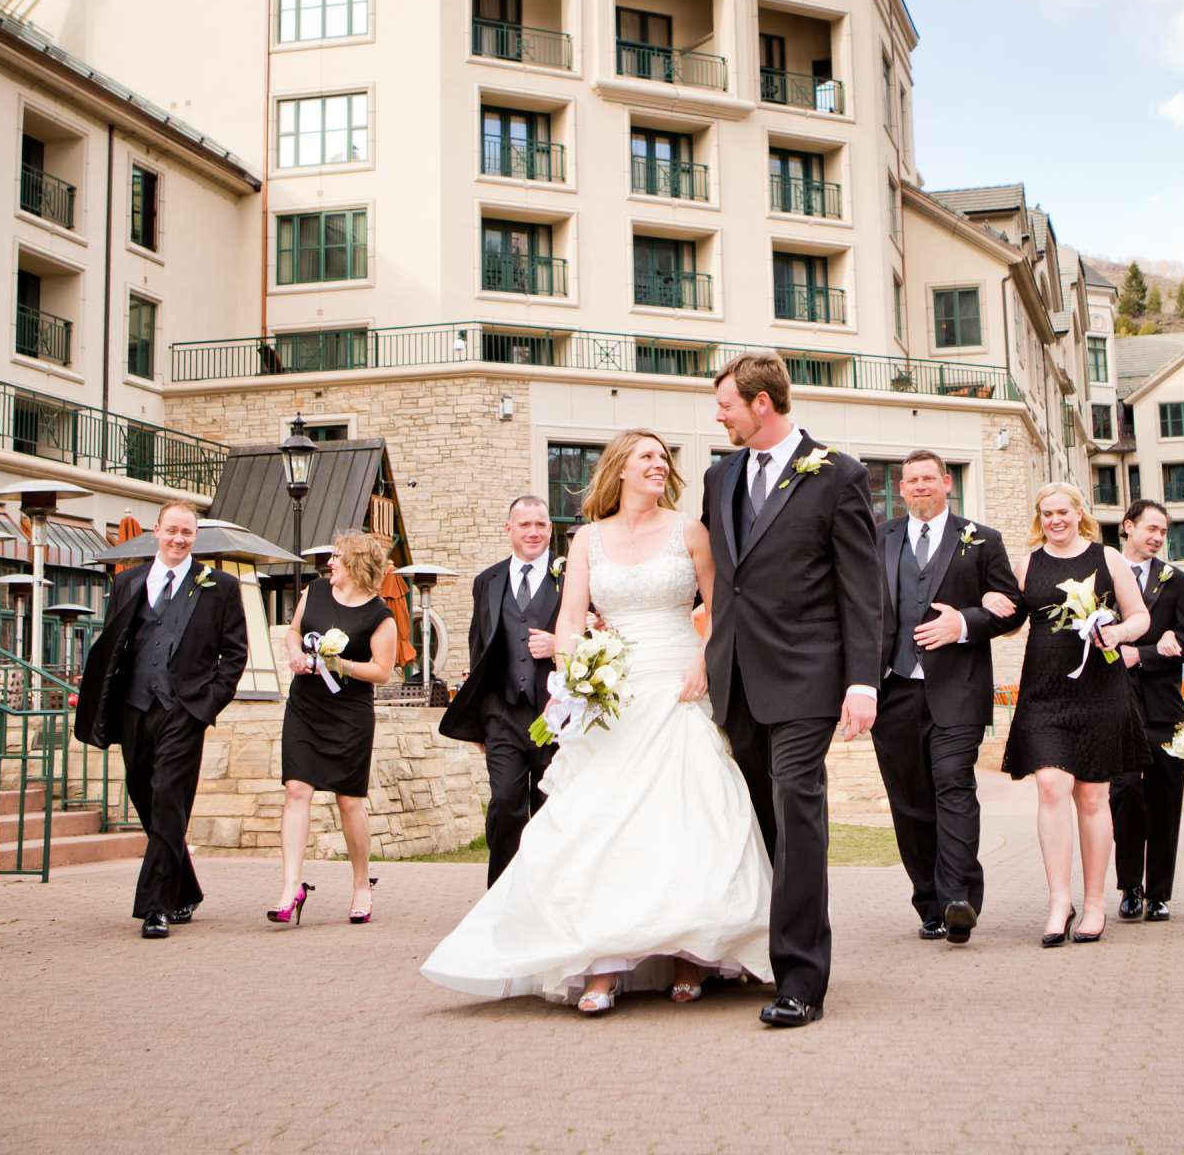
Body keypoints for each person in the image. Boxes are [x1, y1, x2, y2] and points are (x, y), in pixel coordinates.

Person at [421, 429, 771, 1013]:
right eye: (647, 458)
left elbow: (722, 607)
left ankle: (692, 953)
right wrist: (578, 673)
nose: (659, 465)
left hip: (678, 686)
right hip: (614, 694)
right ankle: (601, 963)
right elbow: (568, 623)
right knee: (603, 825)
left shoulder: (690, 531)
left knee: (684, 818)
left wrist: (701, 662)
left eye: (663, 458)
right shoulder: (586, 539)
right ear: (620, 469)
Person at [700, 353, 884, 1027]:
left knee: (797, 809)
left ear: (761, 404)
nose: (718, 416)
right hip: (736, 679)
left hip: (809, 675)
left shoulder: (839, 474)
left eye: (725, 404)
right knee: (761, 821)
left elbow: (863, 590)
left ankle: (802, 979)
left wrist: (861, 681)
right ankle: (756, 950)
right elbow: (719, 576)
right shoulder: (718, 478)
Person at [73, 501, 249, 939]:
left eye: (187, 533)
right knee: (144, 795)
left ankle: (155, 905)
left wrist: (206, 705)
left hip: (184, 710)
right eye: (172, 530)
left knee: (169, 795)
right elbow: (116, 645)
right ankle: (185, 886)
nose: (178, 539)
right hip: (135, 707)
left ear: (196, 537)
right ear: (157, 531)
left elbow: (235, 654)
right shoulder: (129, 582)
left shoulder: (220, 587)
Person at [869, 450, 1018, 946]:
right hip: (894, 691)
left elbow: (1012, 609)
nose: (918, 487)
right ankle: (929, 903)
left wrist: (966, 622)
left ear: (947, 483)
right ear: (902, 487)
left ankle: (959, 899)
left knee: (953, 786)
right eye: (910, 481)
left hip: (957, 690)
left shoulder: (982, 540)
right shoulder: (880, 538)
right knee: (909, 802)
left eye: (928, 478)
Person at [999, 484, 1158, 947]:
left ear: (1078, 512)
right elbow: (1011, 620)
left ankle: (1093, 904)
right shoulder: (1029, 564)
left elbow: (1141, 617)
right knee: (1051, 785)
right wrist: (988, 606)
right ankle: (1058, 901)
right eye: (1046, 513)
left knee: (1092, 797)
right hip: (1044, 691)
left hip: (1100, 690)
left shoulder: (1107, 558)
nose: (1055, 520)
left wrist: (1118, 633)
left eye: (1062, 511)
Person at [270, 533, 399, 926]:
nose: (330, 564)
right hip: (305, 706)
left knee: (349, 800)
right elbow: (294, 631)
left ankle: (362, 883)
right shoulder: (315, 592)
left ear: (358, 565)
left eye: (338, 558)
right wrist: (294, 653)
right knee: (296, 789)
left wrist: (340, 664)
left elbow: (382, 671)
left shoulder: (380, 616)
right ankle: (291, 884)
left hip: (349, 714)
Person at [436, 495, 561, 884]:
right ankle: (501, 893)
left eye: (541, 524)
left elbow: (591, 635)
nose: (533, 532)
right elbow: (479, 651)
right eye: (525, 524)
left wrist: (558, 643)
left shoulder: (571, 577)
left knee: (549, 805)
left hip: (555, 713)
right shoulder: (486, 582)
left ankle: (545, 892)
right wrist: (477, 721)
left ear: (550, 529)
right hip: (502, 713)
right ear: (509, 529)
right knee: (506, 802)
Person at [1108, 500, 1184, 923]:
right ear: (1127, 527)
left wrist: (1143, 655)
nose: (1158, 537)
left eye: (1163, 531)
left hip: (1164, 708)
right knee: (1124, 794)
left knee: (1166, 798)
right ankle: (1130, 886)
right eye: (1151, 528)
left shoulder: (1178, 583)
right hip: (1113, 707)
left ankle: (1160, 893)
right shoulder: (1102, 577)